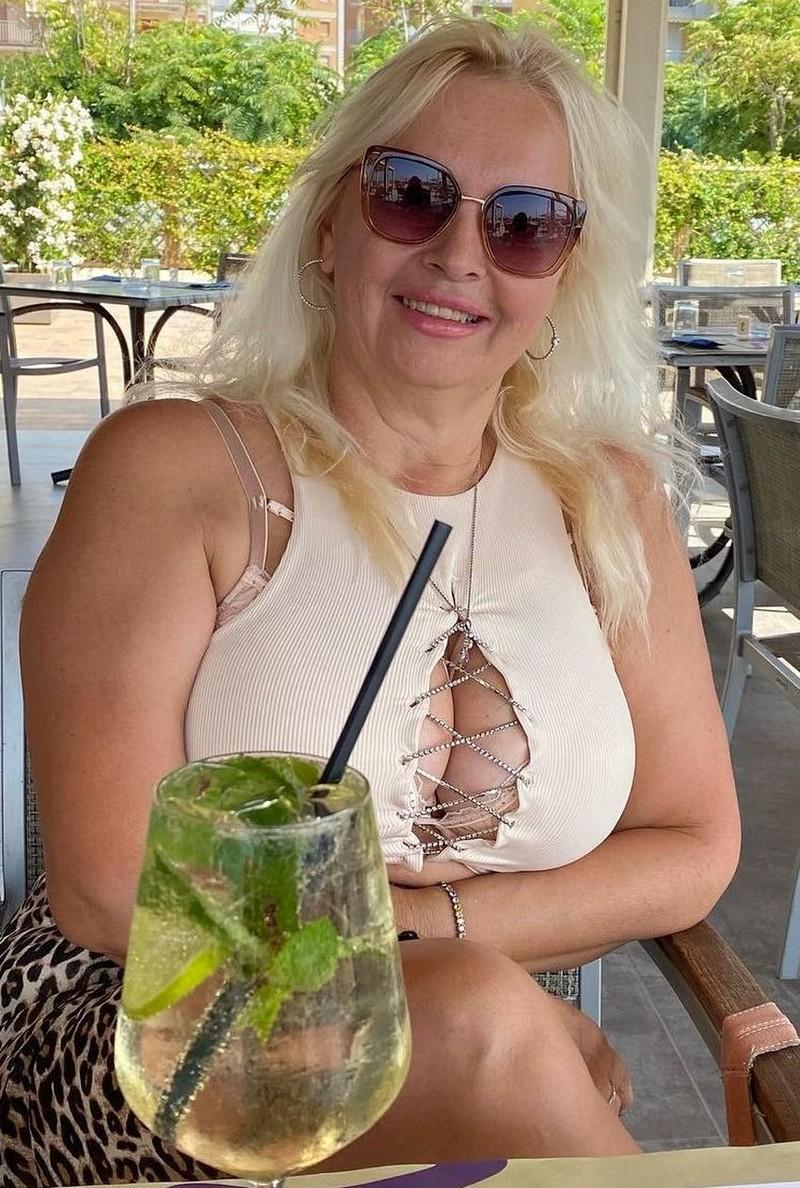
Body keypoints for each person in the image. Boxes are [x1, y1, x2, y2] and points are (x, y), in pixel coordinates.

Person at [0, 17, 740, 1185]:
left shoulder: (606, 504)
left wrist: (444, 957)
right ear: (329, 224)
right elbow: (105, 887)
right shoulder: (181, 469)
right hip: (155, 1042)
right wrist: (470, 1002)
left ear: (564, 270)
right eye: (410, 194)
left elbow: (691, 846)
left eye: (523, 223)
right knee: (482, 1028)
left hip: (454, 1064)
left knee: (478, 1026)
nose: (459, 253)